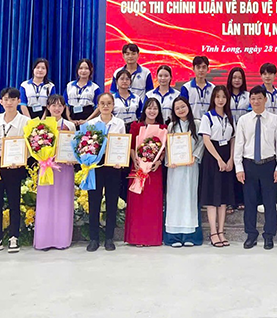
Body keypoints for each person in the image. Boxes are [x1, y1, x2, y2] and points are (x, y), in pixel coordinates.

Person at [0, 87, 30, 254]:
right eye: (6, 99)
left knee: (14, 202)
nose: (9, 103)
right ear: (1, 101)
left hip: (15, 167)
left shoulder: (25, 121)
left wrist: (21, 159)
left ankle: (14, 236)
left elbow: (30, 146)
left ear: (18, 101)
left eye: (13, 99)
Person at [234, 86, 277, 250]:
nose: (256, 101)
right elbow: (239, 145)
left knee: (270, 202)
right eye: (253, 98)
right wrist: (238, 168)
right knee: (249, 203)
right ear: (250, 100)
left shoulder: (274, 120)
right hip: (249, 165)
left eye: (259, 98)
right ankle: (251, 234)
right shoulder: (244, 120)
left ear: (265, 99)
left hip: (269, 164)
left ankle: (269, 235)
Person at [85, 93, 126, 252]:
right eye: (102, 103)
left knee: (111, 201)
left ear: (113, 105)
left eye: (109, 103)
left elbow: (122, 144)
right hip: (95, 166)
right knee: (94, 202)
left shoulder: (119, 123)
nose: (106, 106)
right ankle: (94, 238)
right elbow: (85, 145)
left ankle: (109, 238)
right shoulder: (91, 123)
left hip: (113, 166)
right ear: (98, 105)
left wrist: (120, 160)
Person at [34, 94, 75, 250]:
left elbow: (74, 147)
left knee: (64, 201)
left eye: (60, 105)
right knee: (45, 202)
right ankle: (44, 239)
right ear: (48, 107)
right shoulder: (40, 125)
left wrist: (73, 158)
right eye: (53, 105)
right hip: (46, 167)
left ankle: (61, 239)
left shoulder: (70, 126)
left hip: (65, 168)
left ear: (64, 108)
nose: (57, 108)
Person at [124, 98, 166, 246]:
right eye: (149, 108)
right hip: (138, 169)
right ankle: (136, 237)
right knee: (137, 203)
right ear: (144, 110)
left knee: (152, 203)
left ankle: (151, 238)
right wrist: (135, 160)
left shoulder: (163, 128)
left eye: (155, 108)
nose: (152, 111)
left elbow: (164, 149)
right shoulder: (136, 126)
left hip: (154, 171)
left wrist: (159, 161)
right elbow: (131, 146)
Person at [163, 97, 204, 247]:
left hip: (191, 167)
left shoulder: (197, 124)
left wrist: (195, 156)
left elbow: (201, 143)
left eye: (183, 106)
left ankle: (190, 236)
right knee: (175, 199)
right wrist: (169, 161)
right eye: (177, 108)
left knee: (189, 198)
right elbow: (168, 146)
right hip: (175, 169)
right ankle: (173, 237)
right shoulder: (171, 126)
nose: (180, 110)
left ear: (188, 107)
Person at [199, 85, 235, 248]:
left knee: (224, 197)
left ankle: (221, 231)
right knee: (212, 196)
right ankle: (213, 232)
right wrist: (219, 159)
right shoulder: (207, 117)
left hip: (227, 155)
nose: (221, 100)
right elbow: (206, 140)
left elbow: (233, 138)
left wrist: (231, 159)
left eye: (224, 97)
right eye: (218, 96)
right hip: (212, 157)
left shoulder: (229, 117)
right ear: (213, 98)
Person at [227, 67, 249, 210]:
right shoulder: (225, 95)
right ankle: (230, 201)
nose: (237, 80)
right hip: (227, 135)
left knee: (242, 166)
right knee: (229, 168)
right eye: (234, 77)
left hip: (245, 135)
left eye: (239, 78)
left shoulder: (248, 96)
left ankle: (241, 200)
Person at [64, 58, 101, 126]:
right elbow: (65, 105)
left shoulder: (95, 87)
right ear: (77, 70)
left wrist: (87, 120)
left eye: (86, 68)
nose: (83, 71)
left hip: (88, 118)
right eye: (81, 68)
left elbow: (99, 107)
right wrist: (70, 120)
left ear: (90, 70)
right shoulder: (69, 85)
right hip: (72, 118)